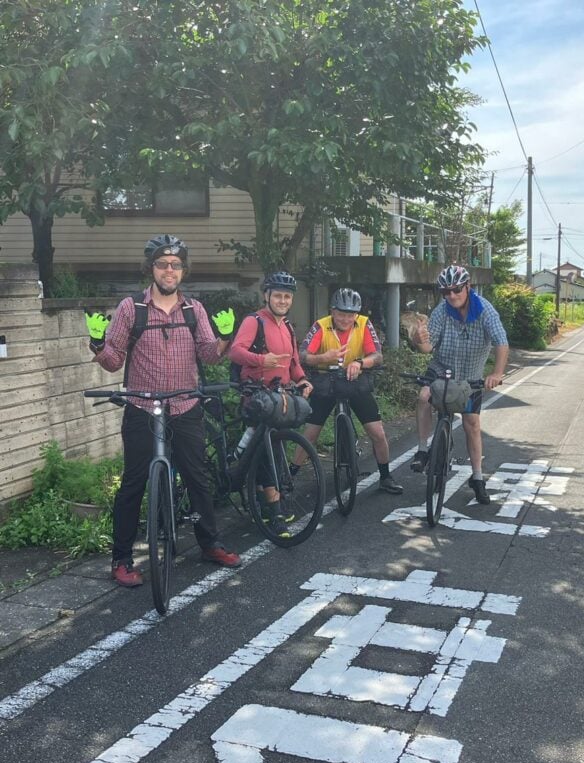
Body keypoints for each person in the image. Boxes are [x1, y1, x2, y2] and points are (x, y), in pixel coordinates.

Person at [84, 234, 241, 588]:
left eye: (175, 264)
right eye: (162, 264)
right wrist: (97, 342)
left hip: (185, 404)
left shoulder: (193, 310)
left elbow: (209, 356)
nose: (169, 270)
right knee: (133, 484)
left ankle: (209, 544)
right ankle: (122, 559)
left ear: (183, 271)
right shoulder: (131, 309)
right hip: (142, 406)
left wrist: (225, 337)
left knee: (198, 477)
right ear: (150, 269)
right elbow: (112, 363)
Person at [410, 264, 509, 504]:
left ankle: (477, 477)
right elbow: (428, 347)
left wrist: (496, 373)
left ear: (468, 287)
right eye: (446, 292)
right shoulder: (442, 311)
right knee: (423, 396)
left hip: (471, 375)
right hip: (441, 367)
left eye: (456, 290)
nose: (451, 296)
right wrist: (417, 340)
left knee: (471, 424)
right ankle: (423, 450)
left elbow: (501, 343)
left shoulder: (485, 311)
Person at [228, 269, 313, 538]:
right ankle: (275, 513)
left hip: (282, 398)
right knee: (267, 453)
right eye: (278, 296)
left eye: (287, 297)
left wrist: (302, 382)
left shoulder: (288, 326)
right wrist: (261, 361)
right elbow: (236, 351)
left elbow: (294, 364)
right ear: (267, 296)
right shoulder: (255, 321)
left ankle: (263, 504)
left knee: (273, 449)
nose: (283, 301)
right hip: (257, 398)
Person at [294, 287, 403, 495]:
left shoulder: (363, 324)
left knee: (378, 433)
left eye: (350, 315)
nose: (345, 319)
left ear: (357, 314)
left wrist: (361, 362)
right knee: (310, 434)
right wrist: (322, 358)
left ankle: (386, 476)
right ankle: (290, 476)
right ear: (333, 311)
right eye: (341, 314)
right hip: (325, 382)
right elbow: (301, 355)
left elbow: (377, 356)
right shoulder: (321, 325)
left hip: (355, 381)